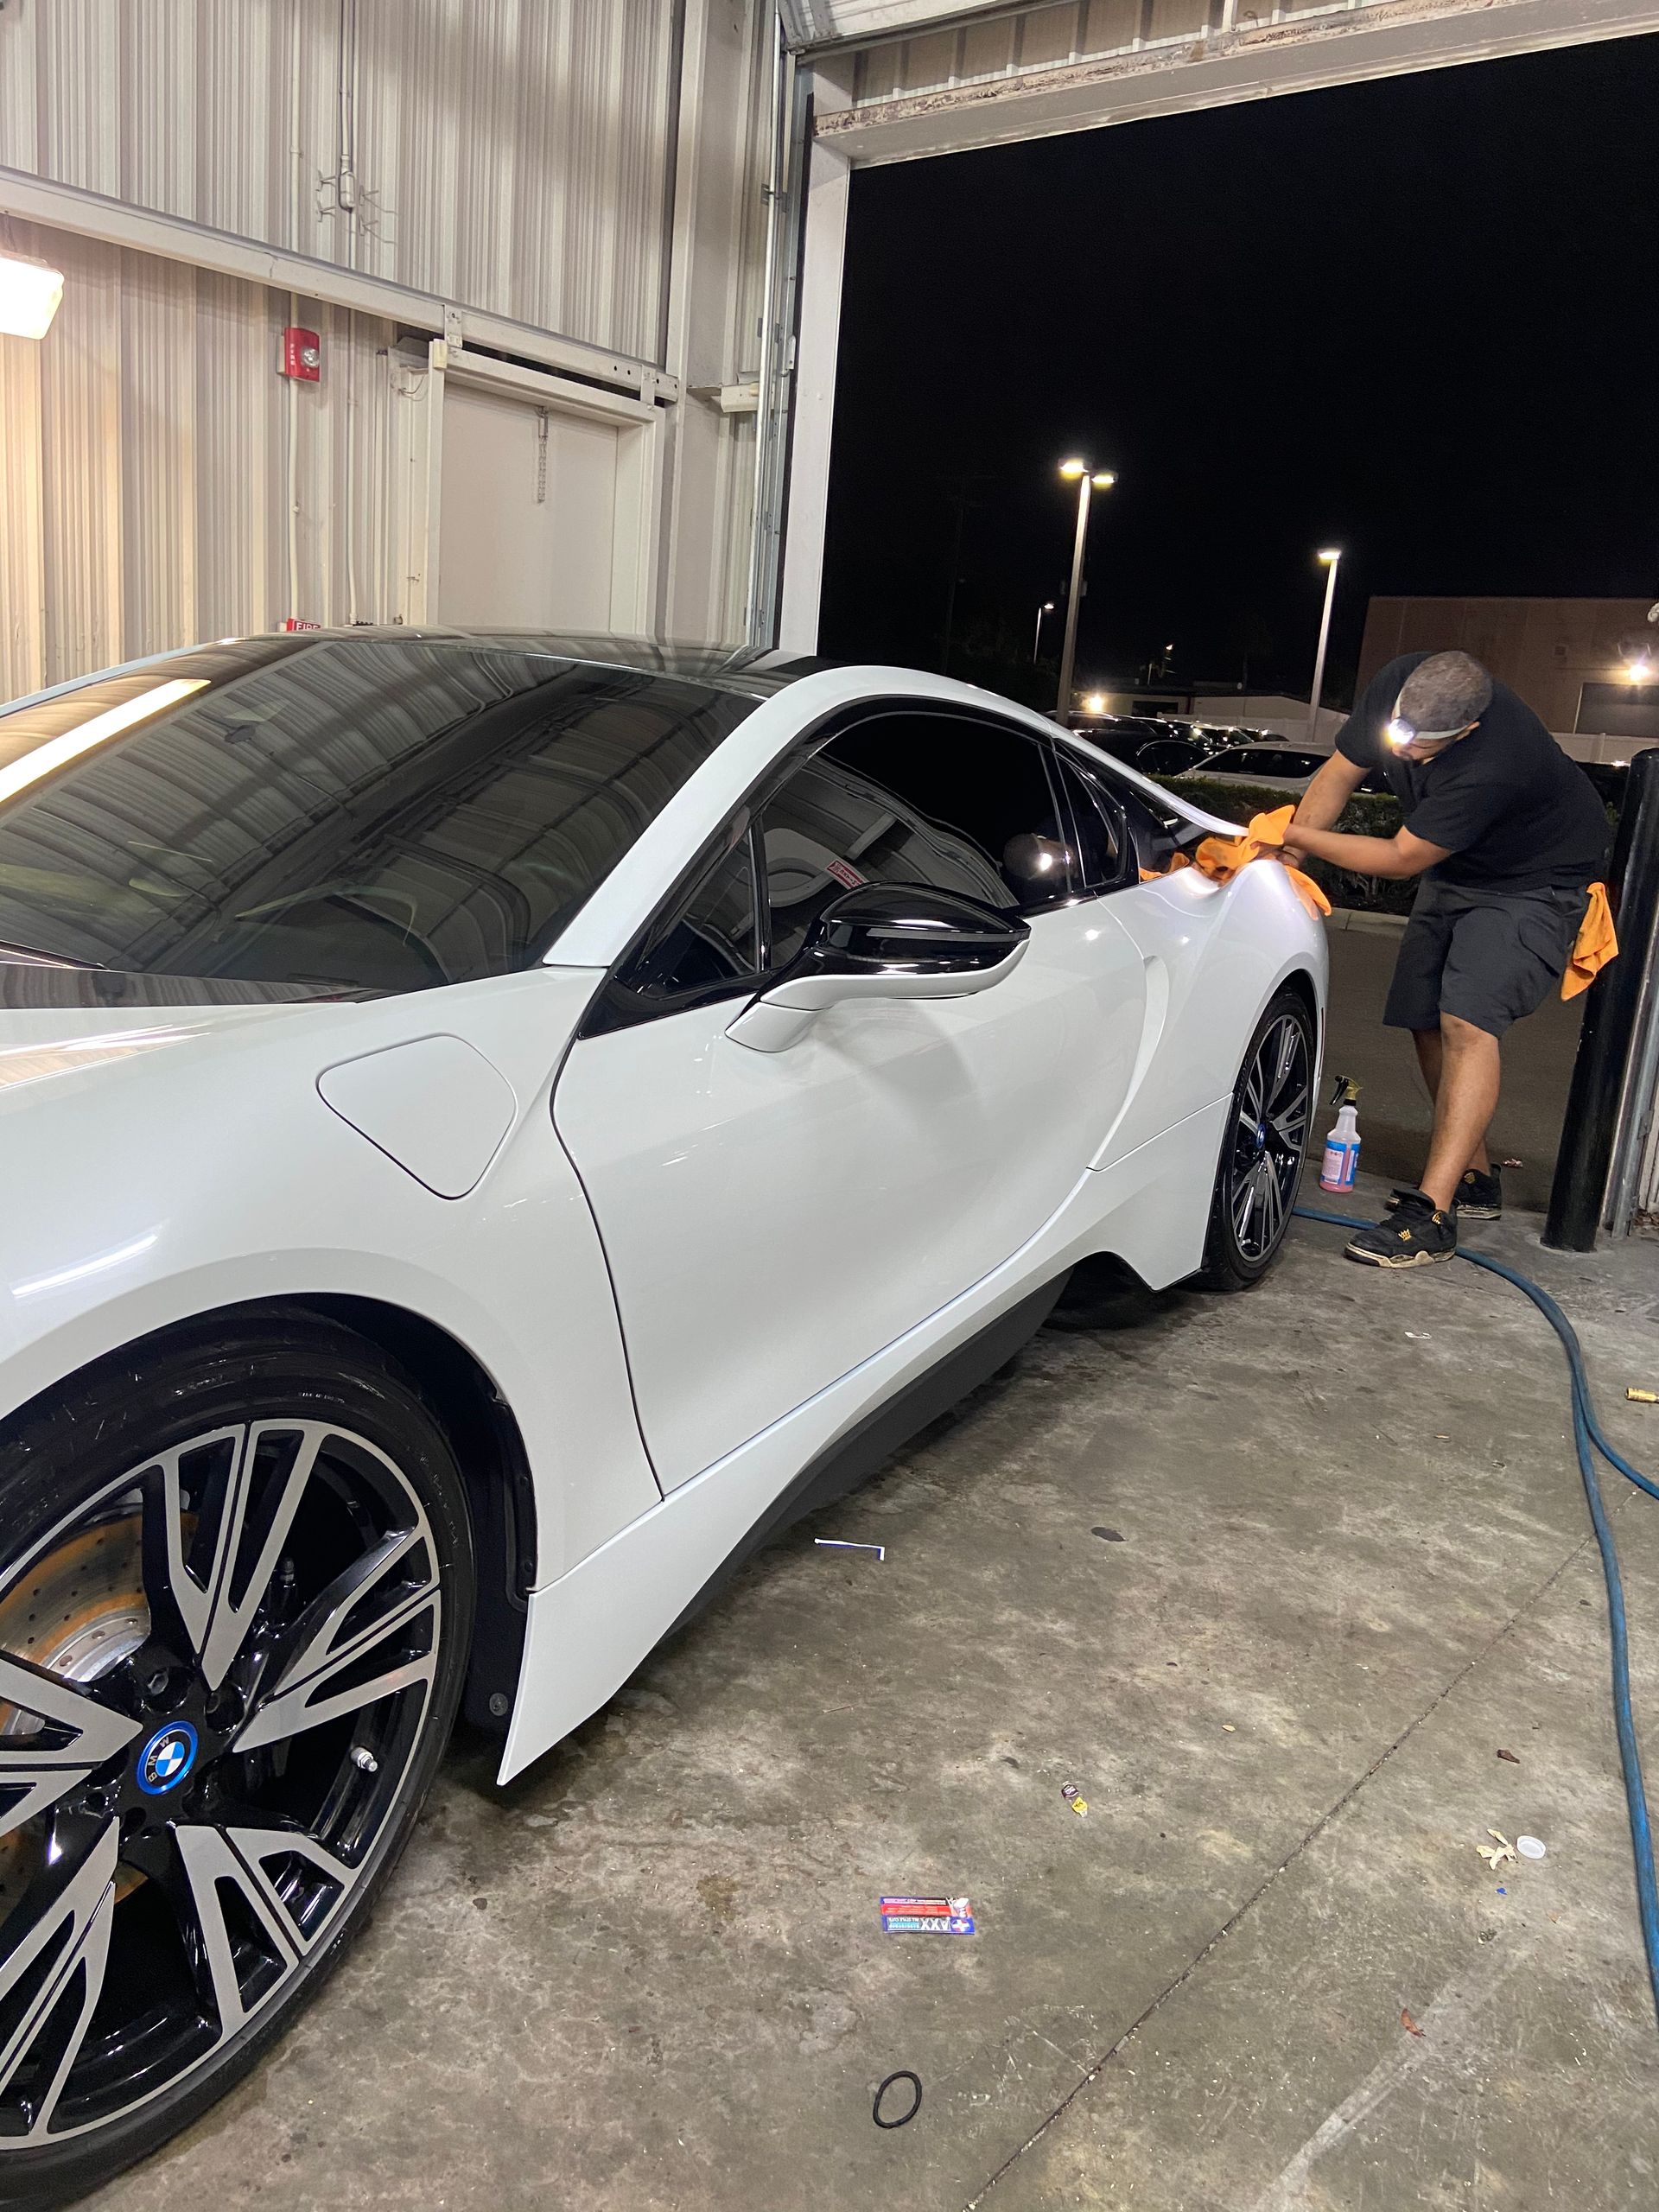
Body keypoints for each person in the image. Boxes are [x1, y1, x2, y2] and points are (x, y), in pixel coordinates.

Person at [1282, 648, 1608, 1268]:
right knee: (1424, 1016)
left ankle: (1433, 1217)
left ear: (1467, 731)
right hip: (1457, 865)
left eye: (1424, 748)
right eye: (1400, 737)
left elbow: (1401, 857)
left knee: (1467, 1021)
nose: (1403, 755)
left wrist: (1292, 836)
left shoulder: (1496, 760)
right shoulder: (1399, 682)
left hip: (1534, 879)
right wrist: (1287, 867)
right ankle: (1475, 1177)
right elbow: (1337, 774)